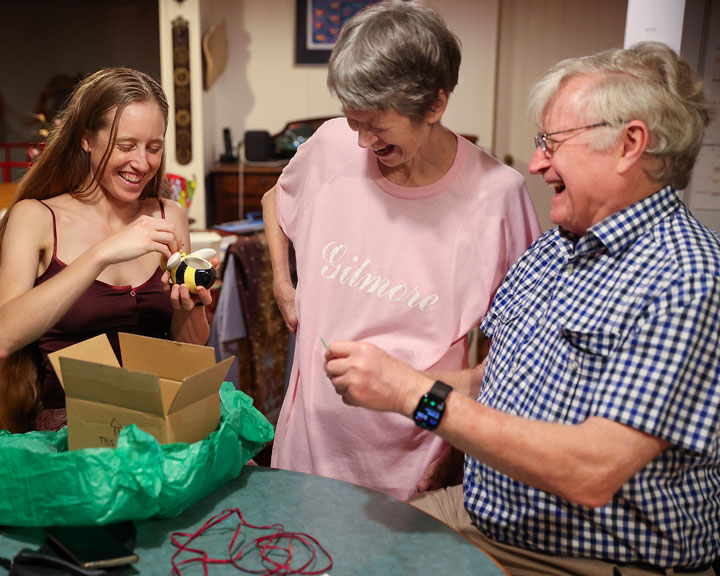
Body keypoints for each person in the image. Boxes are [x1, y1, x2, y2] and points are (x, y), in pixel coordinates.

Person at [324, 41, 719, 575]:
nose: (535, 164)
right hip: (488, 516)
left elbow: (592, 471)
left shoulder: (685, 277)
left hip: (590, 555)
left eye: (552, 143)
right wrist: (395, 383)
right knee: (341, 554)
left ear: (630, 144)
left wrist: (413, 393)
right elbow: (499, 378)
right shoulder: (558, 246)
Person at [263, 0, 540, 500]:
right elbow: (273, 199)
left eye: (378, 125)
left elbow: (513, 352)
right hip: (310, 441)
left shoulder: (498, 196)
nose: (363, 141)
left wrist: (460, 443)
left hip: (415, 450)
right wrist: (284, 284)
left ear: (435, 105)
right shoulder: (331, 146)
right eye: (353, 121)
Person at [0, 67, 212, 433]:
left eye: (154, 148)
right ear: (86, 139)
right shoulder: (35, 218)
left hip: (157, 423)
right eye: (125, 146)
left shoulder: (170, 216)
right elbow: (6, 335)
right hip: (72, 430)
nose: (142, 163)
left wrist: (189, 308)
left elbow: (188, 346)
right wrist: (102, 253)